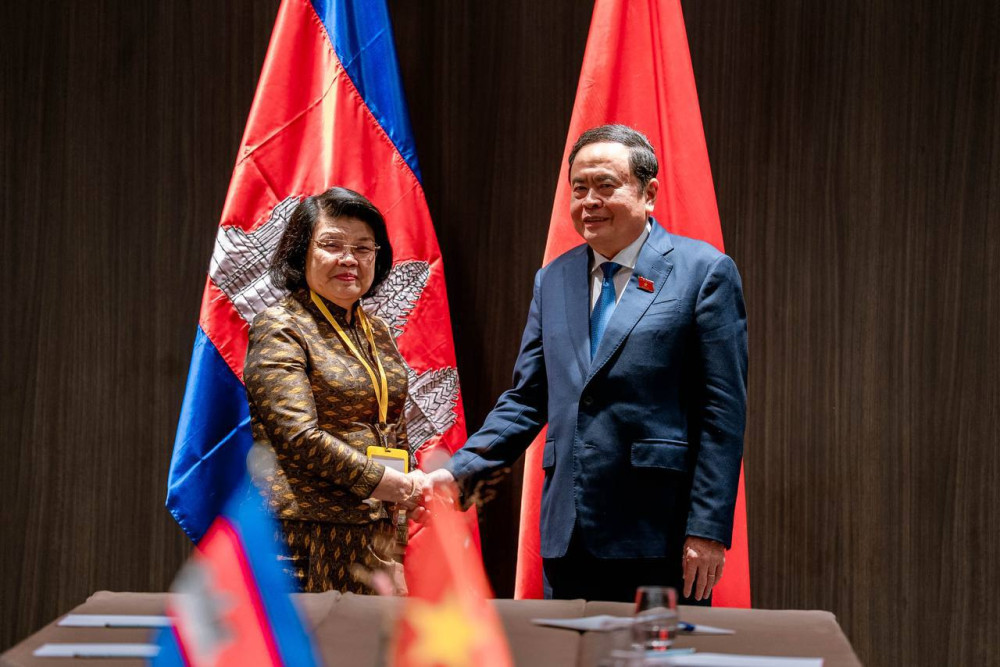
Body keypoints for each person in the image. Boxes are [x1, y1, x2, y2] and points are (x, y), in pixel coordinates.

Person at [427, 125, 747, 603]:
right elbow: (528, 398)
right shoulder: (553, 279)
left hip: (659, 535)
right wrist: (461, 471)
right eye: (579, 189)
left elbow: (722, 413)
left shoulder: (704, 272)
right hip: (569, 533)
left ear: (649, 193)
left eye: (605, 185)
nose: (589, 201)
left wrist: (707, 528)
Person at [244, 186, 426, 594]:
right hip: (303, 535)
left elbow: (392, 434)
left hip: (373, 535)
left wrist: (397, 537)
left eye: (363, 248)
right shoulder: (280, 326)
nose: (349, 259)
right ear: (301, 253)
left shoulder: (376, 330)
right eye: (332, 245)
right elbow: (297, 436)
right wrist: (387, 482)